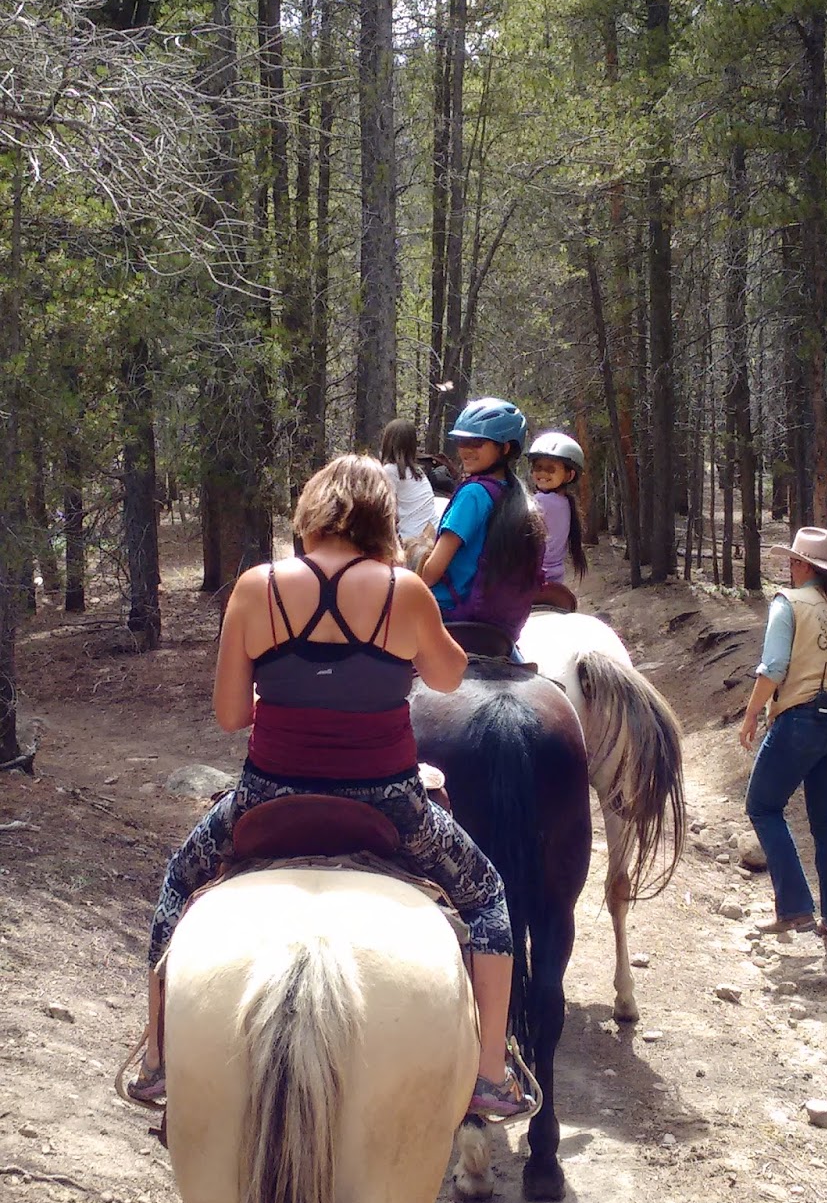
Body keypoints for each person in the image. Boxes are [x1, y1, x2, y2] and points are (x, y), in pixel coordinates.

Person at [129, 455, 536, 1120]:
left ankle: (157, 1060)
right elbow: (447, 678)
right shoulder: (403, 590)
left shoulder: (256, 588)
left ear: (310, 514)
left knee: (179, 881)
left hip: (269, 797)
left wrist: (293, 700)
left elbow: (231, 715)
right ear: (380, 517)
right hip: (389, 803)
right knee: (487, 895)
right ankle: (489, 1074)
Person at [739, 527, 827, 939]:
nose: (787, 569)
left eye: (791, 561)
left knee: (762, 804)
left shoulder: (788, 603)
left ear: (801, 565)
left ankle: (794, 906)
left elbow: (773, 667)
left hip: (805, 716)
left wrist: (753, 712)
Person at [420, 397, 545, 643]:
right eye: (461, 441)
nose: (466, 449)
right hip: (501, 625)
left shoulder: (473, 494)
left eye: (477, 443)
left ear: (505, 448)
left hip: (449, 614)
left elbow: (432, 570)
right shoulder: (513, 493)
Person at [527, 431, 588, 585]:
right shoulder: (567, 503)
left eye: (550, 469)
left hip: (532, 582)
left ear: (569, 475)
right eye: (538, 467)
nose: (542, 473)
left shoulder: (540, 502)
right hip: (556, 581)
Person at [380, 419, 437, 540]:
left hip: (412, 540)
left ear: (387, 441)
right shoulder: (417, 472)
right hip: (431, 533)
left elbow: (387, 514)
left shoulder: (389, 471)